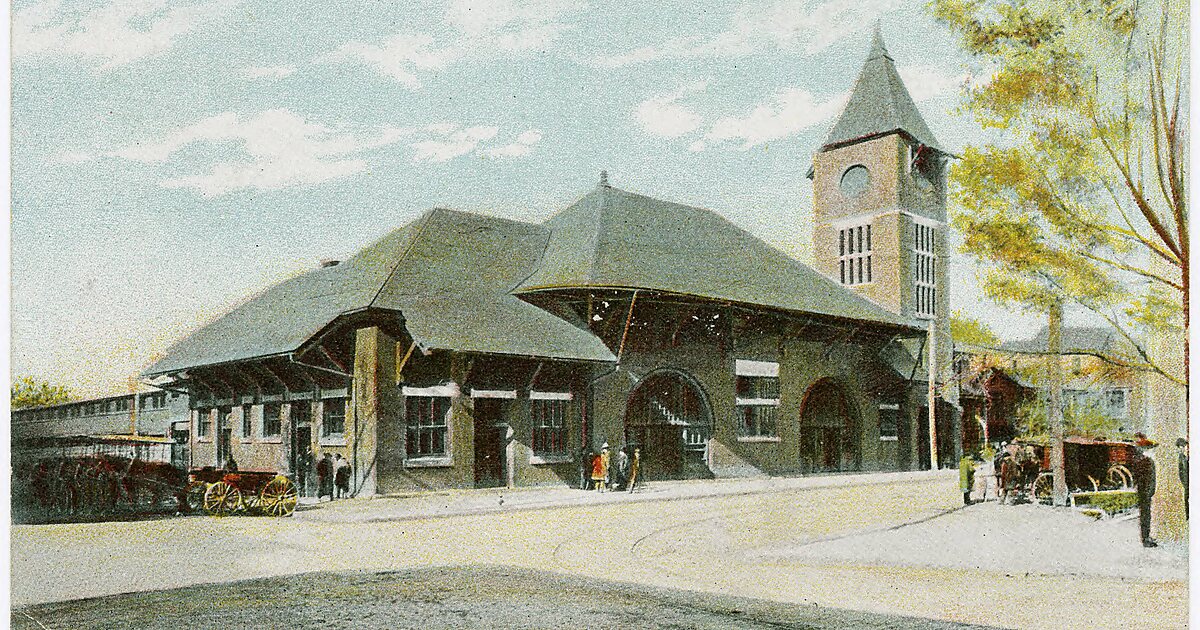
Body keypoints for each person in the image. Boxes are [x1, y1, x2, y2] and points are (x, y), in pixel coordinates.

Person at [1131, 433, 1158, 547]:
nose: (1153, 451)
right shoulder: (1147, 461)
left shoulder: (1141, 461)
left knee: (1145, 515)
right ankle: (1146, 539)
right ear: (1146, 450)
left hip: (1144, 492)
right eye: (1151, 449)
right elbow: (1145, 479)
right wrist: (1148, 491)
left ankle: (1146, 536)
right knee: (1145, 515)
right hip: (1145, 493)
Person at [1177, 438, 1189, 521]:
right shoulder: (1181, 457)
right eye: (1180, 446)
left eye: (1183, 446)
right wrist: (1184, 483)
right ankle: (1188, 516)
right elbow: (1181, 472)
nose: (1182, 448)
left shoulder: (1184, 457)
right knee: (1186, 498)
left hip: (1189, 481)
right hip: (1186, 482)